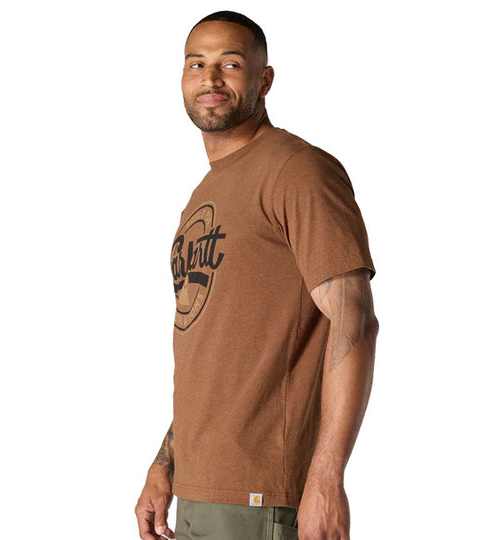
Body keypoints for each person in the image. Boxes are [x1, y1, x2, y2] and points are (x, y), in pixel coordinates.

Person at [135, 10, 379, 540]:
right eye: (196, 64)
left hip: (261, 494)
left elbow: (354, 322)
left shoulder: (297, 170)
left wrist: (326, 478)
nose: (210, 78)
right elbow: (216, 349)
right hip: (198, 490)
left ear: (264, 80)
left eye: (230, 63)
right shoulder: (205, 193)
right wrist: (166, 463)